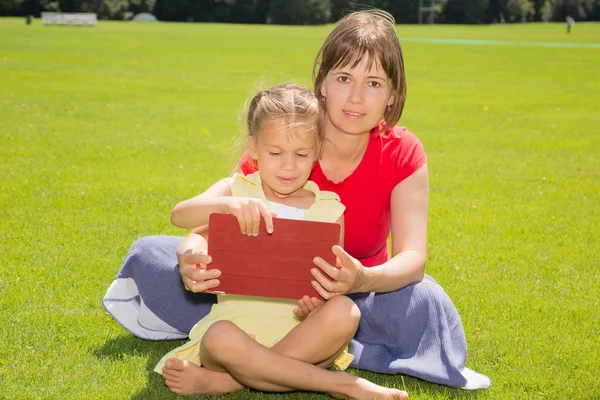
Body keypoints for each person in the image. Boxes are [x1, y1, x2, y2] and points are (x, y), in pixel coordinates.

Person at [103, 9, 490, 390]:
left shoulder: (401, 150)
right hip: (257, 289)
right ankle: (296, 362)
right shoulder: (288, 135)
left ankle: (238, 373)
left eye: (373, 83)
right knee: (153, 253)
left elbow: (413, 260)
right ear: (322, 84)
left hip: (356, 295)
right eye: (344, 78)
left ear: (392, 95)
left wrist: (360, 278)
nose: (356, 97)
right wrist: (190, 260)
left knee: (423, 299)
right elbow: (217, 221)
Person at [152, 83, 407, 399]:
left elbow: (326, 283)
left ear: (317, 151)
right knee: (220, 336)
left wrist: (318, 302)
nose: (289, 165)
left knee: (347, 311)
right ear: (254, 149)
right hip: (235, 337)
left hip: (301, 338)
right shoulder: (236, 190)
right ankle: (341, 386)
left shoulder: (330, 209)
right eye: (275, 153)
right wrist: (225, 207)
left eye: (301, 154)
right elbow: (181, 215)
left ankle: (231, 382)